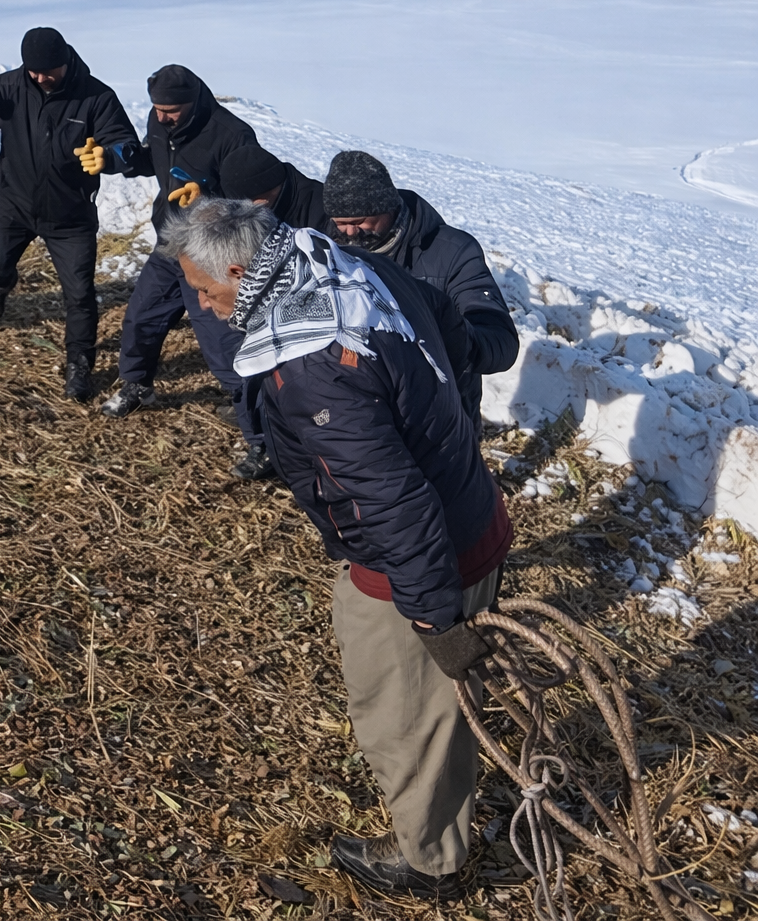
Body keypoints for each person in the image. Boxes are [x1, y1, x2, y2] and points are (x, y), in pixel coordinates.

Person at [162, 198, 513, 899]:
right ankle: (437, 825)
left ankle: (428, 860)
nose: (201, 304)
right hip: (468, 511)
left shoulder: (315, 363)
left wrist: (433, 619)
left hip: (422, 556)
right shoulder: (335, 263)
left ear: (237, 267)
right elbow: (442, 316)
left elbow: (392, 501)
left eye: (204, 290)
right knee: (435, 709)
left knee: (403, 714)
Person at [0, 27, 139, 400]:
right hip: (15, 204)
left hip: (70, 215)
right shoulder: (8, 87)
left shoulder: (96, 97)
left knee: (80, 295)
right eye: (33, 70)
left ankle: (79, 364)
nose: (40, 78)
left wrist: (109, 157)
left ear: (66, 61)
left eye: (48, 71)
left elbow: (126, 144)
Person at [99, 66, 257, 423]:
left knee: (218, 336)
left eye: (170, 111)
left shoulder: (232, 134)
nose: (160, 117)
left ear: (194, 101)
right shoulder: (160, 123)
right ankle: (137, 385)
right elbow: (149, 158)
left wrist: (209, 200)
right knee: (141, 316)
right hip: (172, 242)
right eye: (156, 109)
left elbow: (251, 200)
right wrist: (113, 159)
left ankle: (249, 409)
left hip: (211, 254)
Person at [321, 151, 518, 431]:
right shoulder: (326, 248)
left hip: (441, 417)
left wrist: (454, 337)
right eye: (341, 223)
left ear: (387, 207)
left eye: (359, 221)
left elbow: (501, 342)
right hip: (359, 412)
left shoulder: (451, 252)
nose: (350, 232)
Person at [214, 143, 332, 478]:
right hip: (261, 308)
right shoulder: (253, 210)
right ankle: (263, 439)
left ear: (265, 193)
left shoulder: (319, 210)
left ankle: (301, 455)